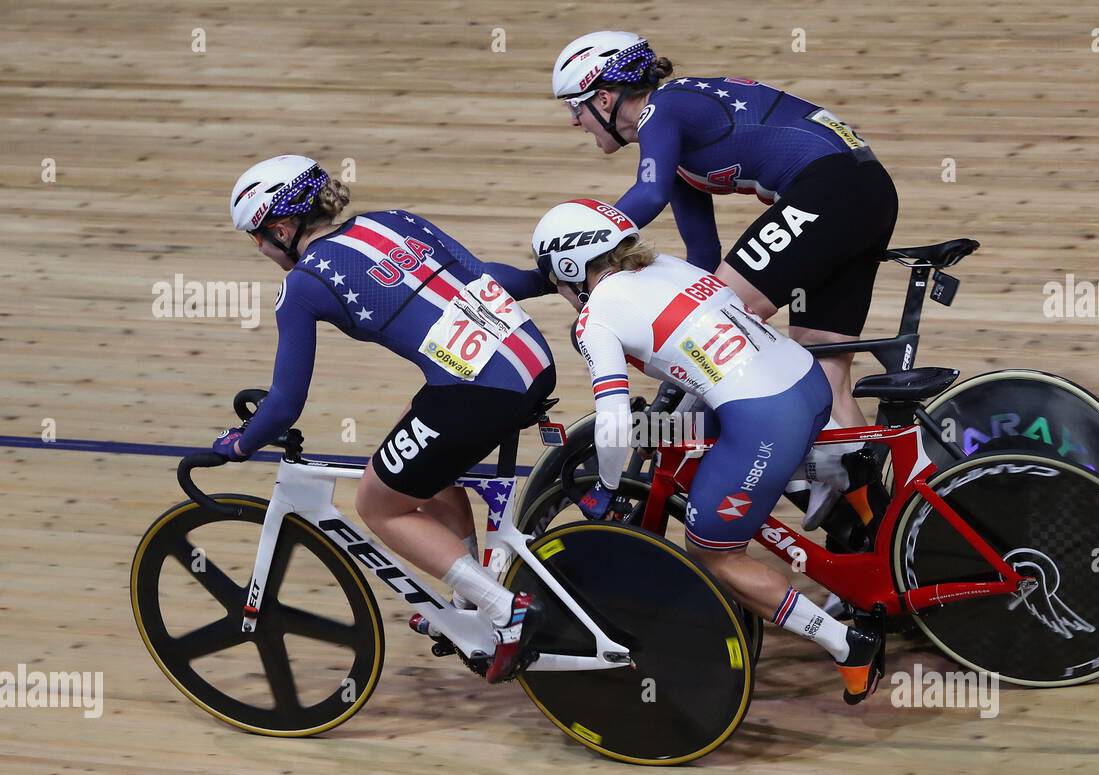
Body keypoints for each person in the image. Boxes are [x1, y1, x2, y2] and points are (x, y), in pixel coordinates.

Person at [531, 198, 885, 704]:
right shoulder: (666, 264)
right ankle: (853, 492)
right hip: (805, 380)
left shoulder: (596, 318)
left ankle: (847, 644)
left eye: (554, 279)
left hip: (765, 415)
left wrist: (607, 490)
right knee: (691, 434)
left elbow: (611, 425)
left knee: (714, 553)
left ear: (569, 267)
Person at [221, 154, 556, 683]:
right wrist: (554, 278)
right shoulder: (393, 221)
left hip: (479, 389)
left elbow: (285, 403)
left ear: (283, 228)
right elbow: (488, 278)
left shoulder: (304, 285)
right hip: (530, 358)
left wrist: (240, 444)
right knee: (408, 461)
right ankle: (468, 604)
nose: (260, 249)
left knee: (378, 503)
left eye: (258, 237)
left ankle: (505, 609)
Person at [551, 31, 899, 530]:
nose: (574, 121)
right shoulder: (669, 138)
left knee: (716, 324)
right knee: (827, 371)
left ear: (605, 98)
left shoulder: (662, 110)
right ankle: (877, 536)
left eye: (576, 107)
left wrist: (571, 246)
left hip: (831, 189)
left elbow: (646, 197)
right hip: (861, 190)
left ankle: (771, 449)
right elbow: (703, 255)